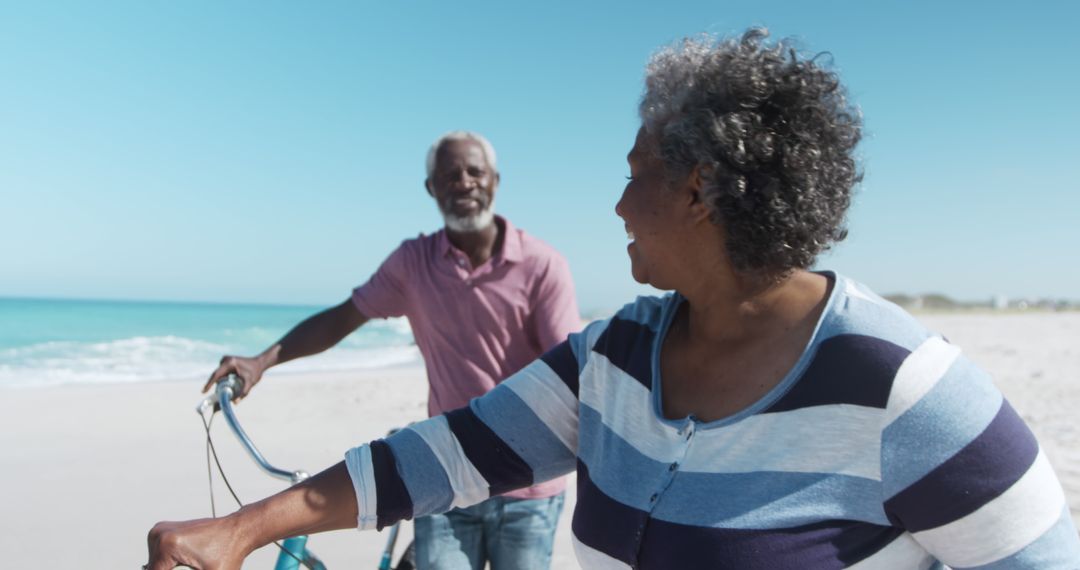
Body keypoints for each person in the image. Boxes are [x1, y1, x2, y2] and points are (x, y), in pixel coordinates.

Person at [149, 29, 1080, 569]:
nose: (618, 202)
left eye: (636, 173)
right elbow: (447, 453)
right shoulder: (614, 357)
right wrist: (239, 532)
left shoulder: (905, 390)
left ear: (701, 189)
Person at [201, 130, 580, 570]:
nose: (464, 182)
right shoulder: (413, 263)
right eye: (449, 174)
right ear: (431, 188)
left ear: (495, 181)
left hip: (528, 486)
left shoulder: (542, 265)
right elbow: (344, 317)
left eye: (475, 172)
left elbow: (568, 375)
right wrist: (261, 361)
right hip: (448, 472)